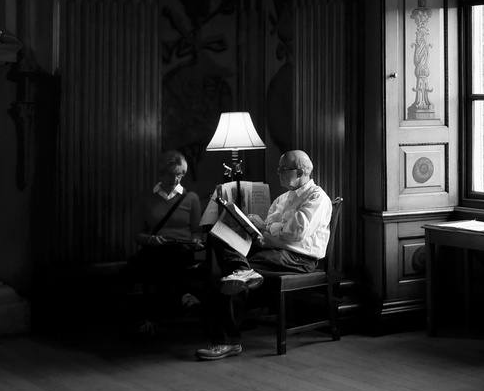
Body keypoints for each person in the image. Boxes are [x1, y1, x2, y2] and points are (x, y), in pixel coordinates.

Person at [195, 149, 331, 361]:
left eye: (283, 169)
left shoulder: (317, 197)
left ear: (302, 171)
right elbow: (272, 231)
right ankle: (241, 269)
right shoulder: (282, 198)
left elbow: (296, 233)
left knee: (233, 276)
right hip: (272, 250)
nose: (279, 173)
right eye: (278, 169)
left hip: (298, 259)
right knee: (220, 234)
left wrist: (266, 226)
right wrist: (255, 228)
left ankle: (227, 340)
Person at [124, 149, 202, 337]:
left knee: (168, 258)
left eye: (181, 175)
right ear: (162, 173)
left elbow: (196, 231)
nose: (177, 180)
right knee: (135, 267)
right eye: (173, 175)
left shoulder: (191, 198)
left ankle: (147, 319)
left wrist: (196, 242)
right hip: (154, 248)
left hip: (180, 248)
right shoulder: (146, 197)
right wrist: (151, 239)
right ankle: (183, 297)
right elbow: (137, 234)